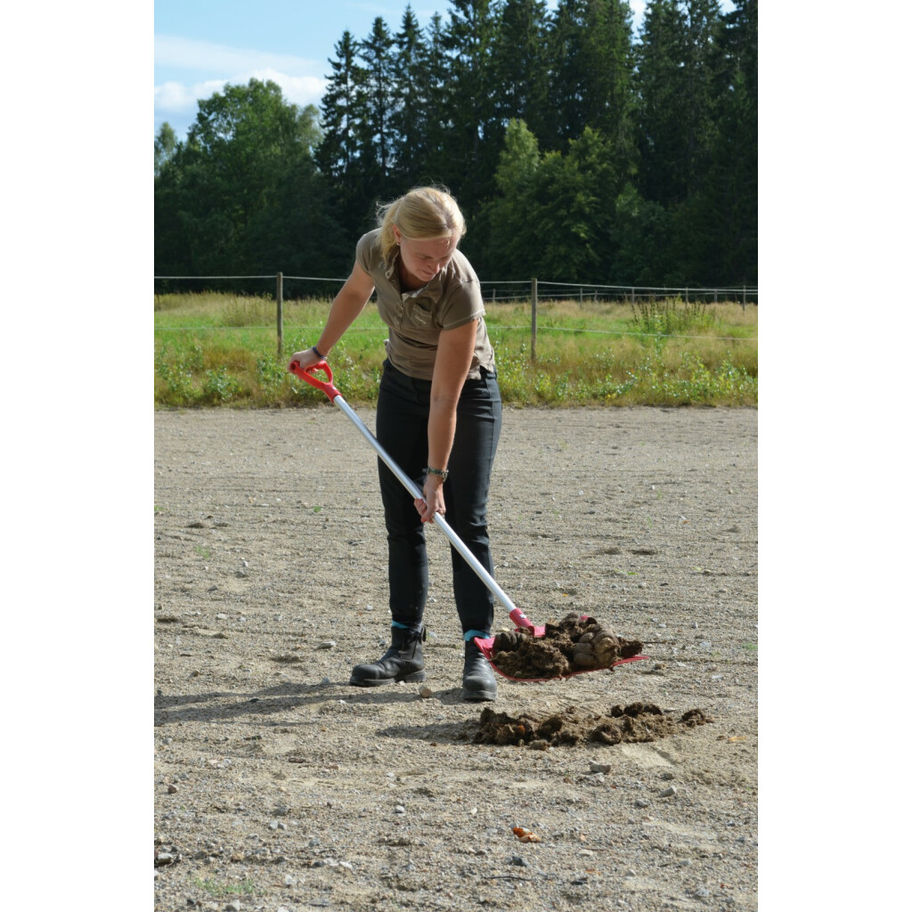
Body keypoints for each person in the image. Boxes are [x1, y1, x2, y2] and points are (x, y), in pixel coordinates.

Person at [290, 186, 502, 702]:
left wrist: (436, 476)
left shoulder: (460, 286)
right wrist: (320, 350)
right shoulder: (373, 248)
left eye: (446, 253)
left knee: (461, 521)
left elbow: (445, 400)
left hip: (464, 395)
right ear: (397, 236)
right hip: (402, 387)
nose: (436, 264)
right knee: (401, 522)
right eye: (425, 254)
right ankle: (406, 648)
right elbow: (353, 294)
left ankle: (479, 652)